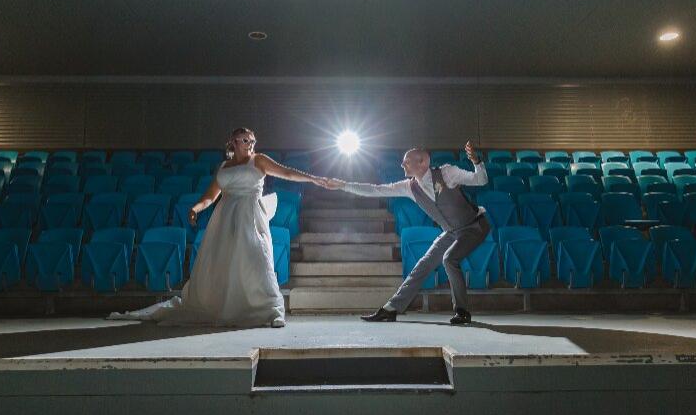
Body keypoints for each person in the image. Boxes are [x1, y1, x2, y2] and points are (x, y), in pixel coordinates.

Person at [108, 127, 329, 327]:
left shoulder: (259, 160)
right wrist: (196, 208)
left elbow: (286, 172)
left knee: (257, 259)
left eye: (252, 140)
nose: (250, 143)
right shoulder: (223, 166)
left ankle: (272, 311)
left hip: (249, 215)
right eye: (244, 140)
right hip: (224, 217)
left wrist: (312, 179)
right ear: (233, 142)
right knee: (225, 261)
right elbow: (211, 196)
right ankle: (228, 306)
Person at [325, 141, 489, 325]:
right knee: (423, 265)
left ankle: (462, 311)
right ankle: (391, 309)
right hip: (451, 231)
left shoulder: (447, 172)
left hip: (474, 226)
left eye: (407, 161)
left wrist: (476, 161)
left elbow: (481, 180)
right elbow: (376, 190)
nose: (402, 165)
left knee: (449, 259)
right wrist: (343, 185)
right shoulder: (409, 187)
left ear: (423, 162)